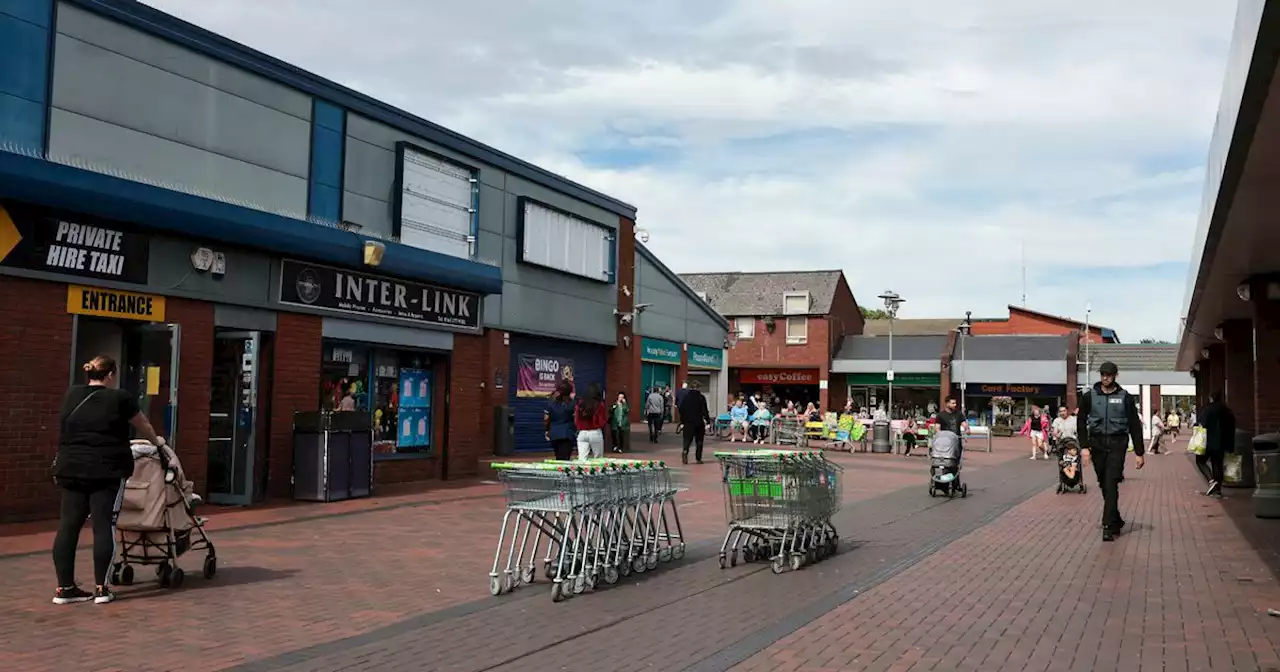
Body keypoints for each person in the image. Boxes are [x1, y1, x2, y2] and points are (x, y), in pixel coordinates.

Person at [52, 355, 166, 605]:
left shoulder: (72, 394)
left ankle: (64, 589)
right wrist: (157, 443)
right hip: (107, 471)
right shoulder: (120, 397)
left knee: (68, 527)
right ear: (111, 374)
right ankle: (102, 589)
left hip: (71, 468)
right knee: (104, 526)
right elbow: (142, 424)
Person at [1077, 361, 1145, 541]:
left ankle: (1108, 526)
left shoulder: (1126, 397)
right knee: (1103, 483)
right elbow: (1081, 422)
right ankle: (1116, 519)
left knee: (1111, 482)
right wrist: (1084, 447)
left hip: (1117, 443)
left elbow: (1134, 425)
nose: (1105, 378)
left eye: (1108, 374)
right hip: (1097, 443)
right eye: (1102, 374)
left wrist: (1139, 452)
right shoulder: (1089, 396)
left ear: (1115, 375)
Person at [1196, 392, 1236, 497]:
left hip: (1209, 441)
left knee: (1200, 461)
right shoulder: (1227, 411)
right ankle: (1217, 489)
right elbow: (1232, 426)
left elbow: (1202, 424)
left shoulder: (1208, 409)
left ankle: (1211, 481)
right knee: (1217, 464)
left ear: (1211, 398)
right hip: (1223, 442)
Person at [676, 380, 712, 464]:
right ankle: (698, 458)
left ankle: (685, 451)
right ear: (698, 388)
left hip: (688, 422)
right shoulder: (701, 397)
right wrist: (708, 421)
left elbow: (681, 409)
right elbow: (704, 411)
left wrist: (682, 420)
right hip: (698, 422)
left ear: (691, 387)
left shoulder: (686, 397)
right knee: (699, 440)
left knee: (687, 439)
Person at [544, 380, 576, 461]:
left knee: (558, 457)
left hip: (554, 434)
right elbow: (576, 418)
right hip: (567, 434)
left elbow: (546, 419)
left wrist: (547, 430)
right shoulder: (572, 403)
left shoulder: (551, 402)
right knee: (565, 459)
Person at [574, 382, 607, 460]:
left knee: (582, 459)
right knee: (598, 458)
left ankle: (582, 471)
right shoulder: (600, 404)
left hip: (582, 432)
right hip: (595, 432)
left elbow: (576, 419)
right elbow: (602, 420)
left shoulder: (580, 404)